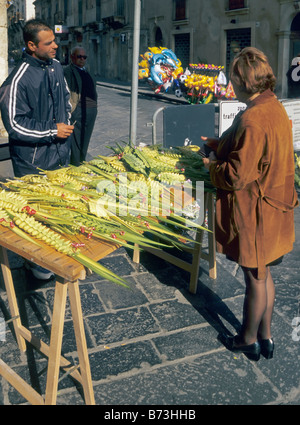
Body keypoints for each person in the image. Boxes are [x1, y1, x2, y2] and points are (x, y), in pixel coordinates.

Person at [202, 47, 298, 361]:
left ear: (245, 81)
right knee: (264, 274)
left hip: (257, 210)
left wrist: (211, 166)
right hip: (274, 204)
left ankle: (247, 339)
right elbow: (259, 153)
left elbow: (237, 176)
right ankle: (266, 337)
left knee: (254, 277)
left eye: (234, 81)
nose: (232, 87)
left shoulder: (254, 116)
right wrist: (220, 146)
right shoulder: (273, 106)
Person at [0, 19, 74, 280]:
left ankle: (57, 256)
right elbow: (15, 125)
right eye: (49, 42)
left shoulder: (55, 66)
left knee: (57, 212)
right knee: (37, 218)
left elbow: (65, 97)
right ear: (31, 45)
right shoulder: (17, 79)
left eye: (54, 40)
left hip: (59, 156)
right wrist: (53, 130)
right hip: (32, 163)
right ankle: (37, 263)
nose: (56, 45)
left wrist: (66, 119)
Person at [64, 46, 98, 166]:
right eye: (79, 56)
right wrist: (72, 109)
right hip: (77, 109)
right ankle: (75, 164)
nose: (82, 59)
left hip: (91, 110)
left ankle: (82, 162)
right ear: (72, 57)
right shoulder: (68, 71)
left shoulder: (87, 71)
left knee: (86, 138)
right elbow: (66, 90)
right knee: (76, 140)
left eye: (84, 57)